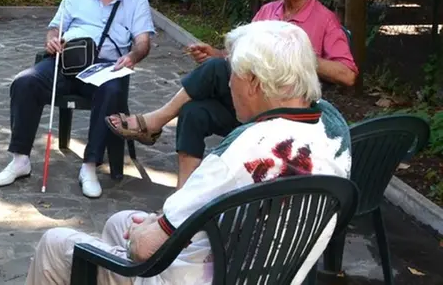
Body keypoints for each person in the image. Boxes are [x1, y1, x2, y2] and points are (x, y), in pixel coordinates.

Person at [26, 20, 352, 285]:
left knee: (56, 245)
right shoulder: (334, 131)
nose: (229, 86)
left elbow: (144, 248)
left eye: (233, 74)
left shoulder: (239, 154)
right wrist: (156, 224)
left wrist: (147, 231)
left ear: (253, 83)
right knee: (118, 222)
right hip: (266, 270)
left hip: (195, 277)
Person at [107, 0, 357, 188]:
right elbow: (244, 57)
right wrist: (216, 53)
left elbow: (348, 75)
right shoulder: (269, 10)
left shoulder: (325, 20)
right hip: (249, 105)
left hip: (286, 118)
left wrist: (297, 54)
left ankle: (155, 121)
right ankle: (182, 197)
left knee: (217, 69)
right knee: (193, 112)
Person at [0, 0, 156, 198]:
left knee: (112, 91)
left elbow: (143, 41)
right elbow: (54, 27)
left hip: (104, 68)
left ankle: (89, 166)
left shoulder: (137, 2)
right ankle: (20, 159)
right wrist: (52, 39)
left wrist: (133, 56)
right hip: (66, 63)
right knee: (24, 82)